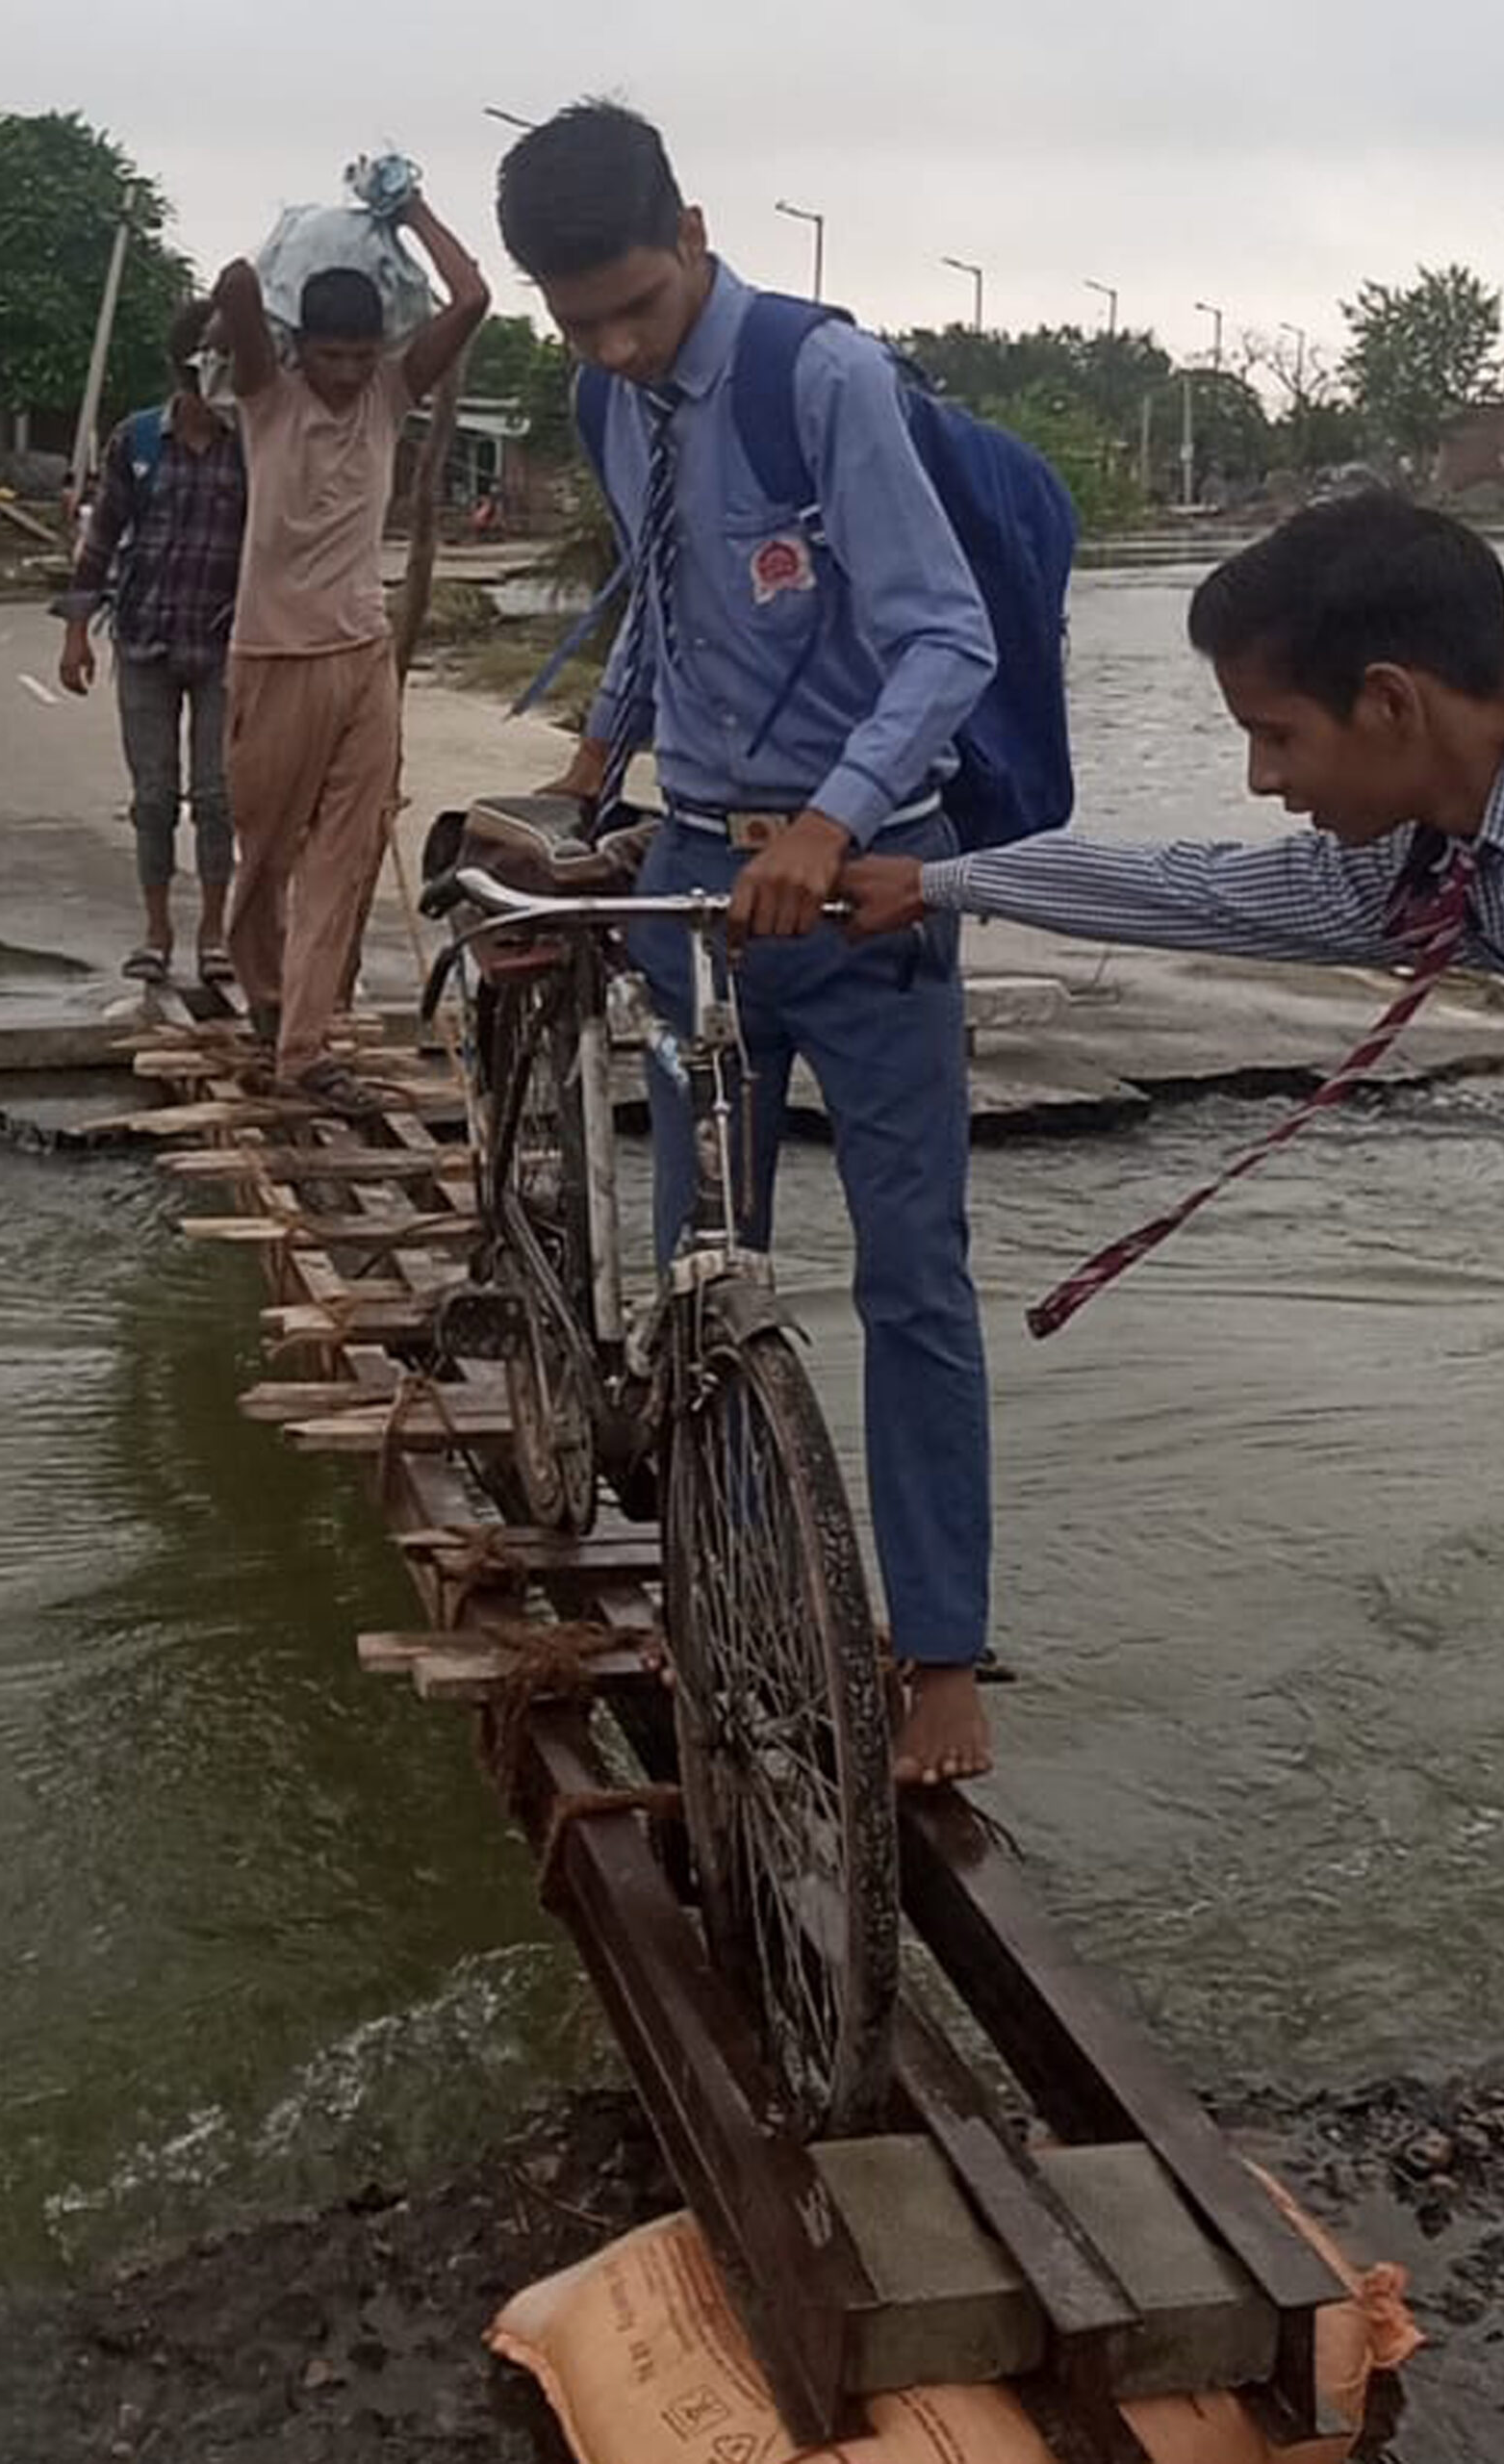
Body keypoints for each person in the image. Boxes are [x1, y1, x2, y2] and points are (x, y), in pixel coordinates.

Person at [496, 102, 1001, 1787]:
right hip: (698, 879)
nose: (616, 347)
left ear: (694, 232)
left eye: (636, 308)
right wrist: (590, 781)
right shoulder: (605, 397)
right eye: (577, 323)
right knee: (700, 1270)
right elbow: (665, 601)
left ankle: (939, 1656)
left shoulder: (820, 380)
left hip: (860, 889)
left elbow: (945, 641)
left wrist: (828, 826)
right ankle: (723, 1588)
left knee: (911, 1276)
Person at [840, 494, 1504, 979]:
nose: (1261, 780)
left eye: (1277, 737)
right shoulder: (1422, 864)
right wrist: (935, 883)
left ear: (1389, 702)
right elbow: (1192, 889)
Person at [214, 184, 488, 1114]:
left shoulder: (388, 397)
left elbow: (472, 299)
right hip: (274, 656)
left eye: (362, 356)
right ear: (300, 348)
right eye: (331, 356)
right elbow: (240, 287)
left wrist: (412, 212)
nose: (346, 373)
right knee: (266, 856)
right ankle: (268, 997)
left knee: (348, 847)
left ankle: (305, 1045)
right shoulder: (268, 397)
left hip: (363, 654)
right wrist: (242, 300)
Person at [60, 301, 248, 984]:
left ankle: (214, 933)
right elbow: (100, 541)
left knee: (219, 797)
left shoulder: (253, 447)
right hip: (145, 641)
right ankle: (157, 931)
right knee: (154, 797)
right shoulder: (135, 441)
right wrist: (77, 633)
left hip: (225, 646)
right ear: (185, 369)